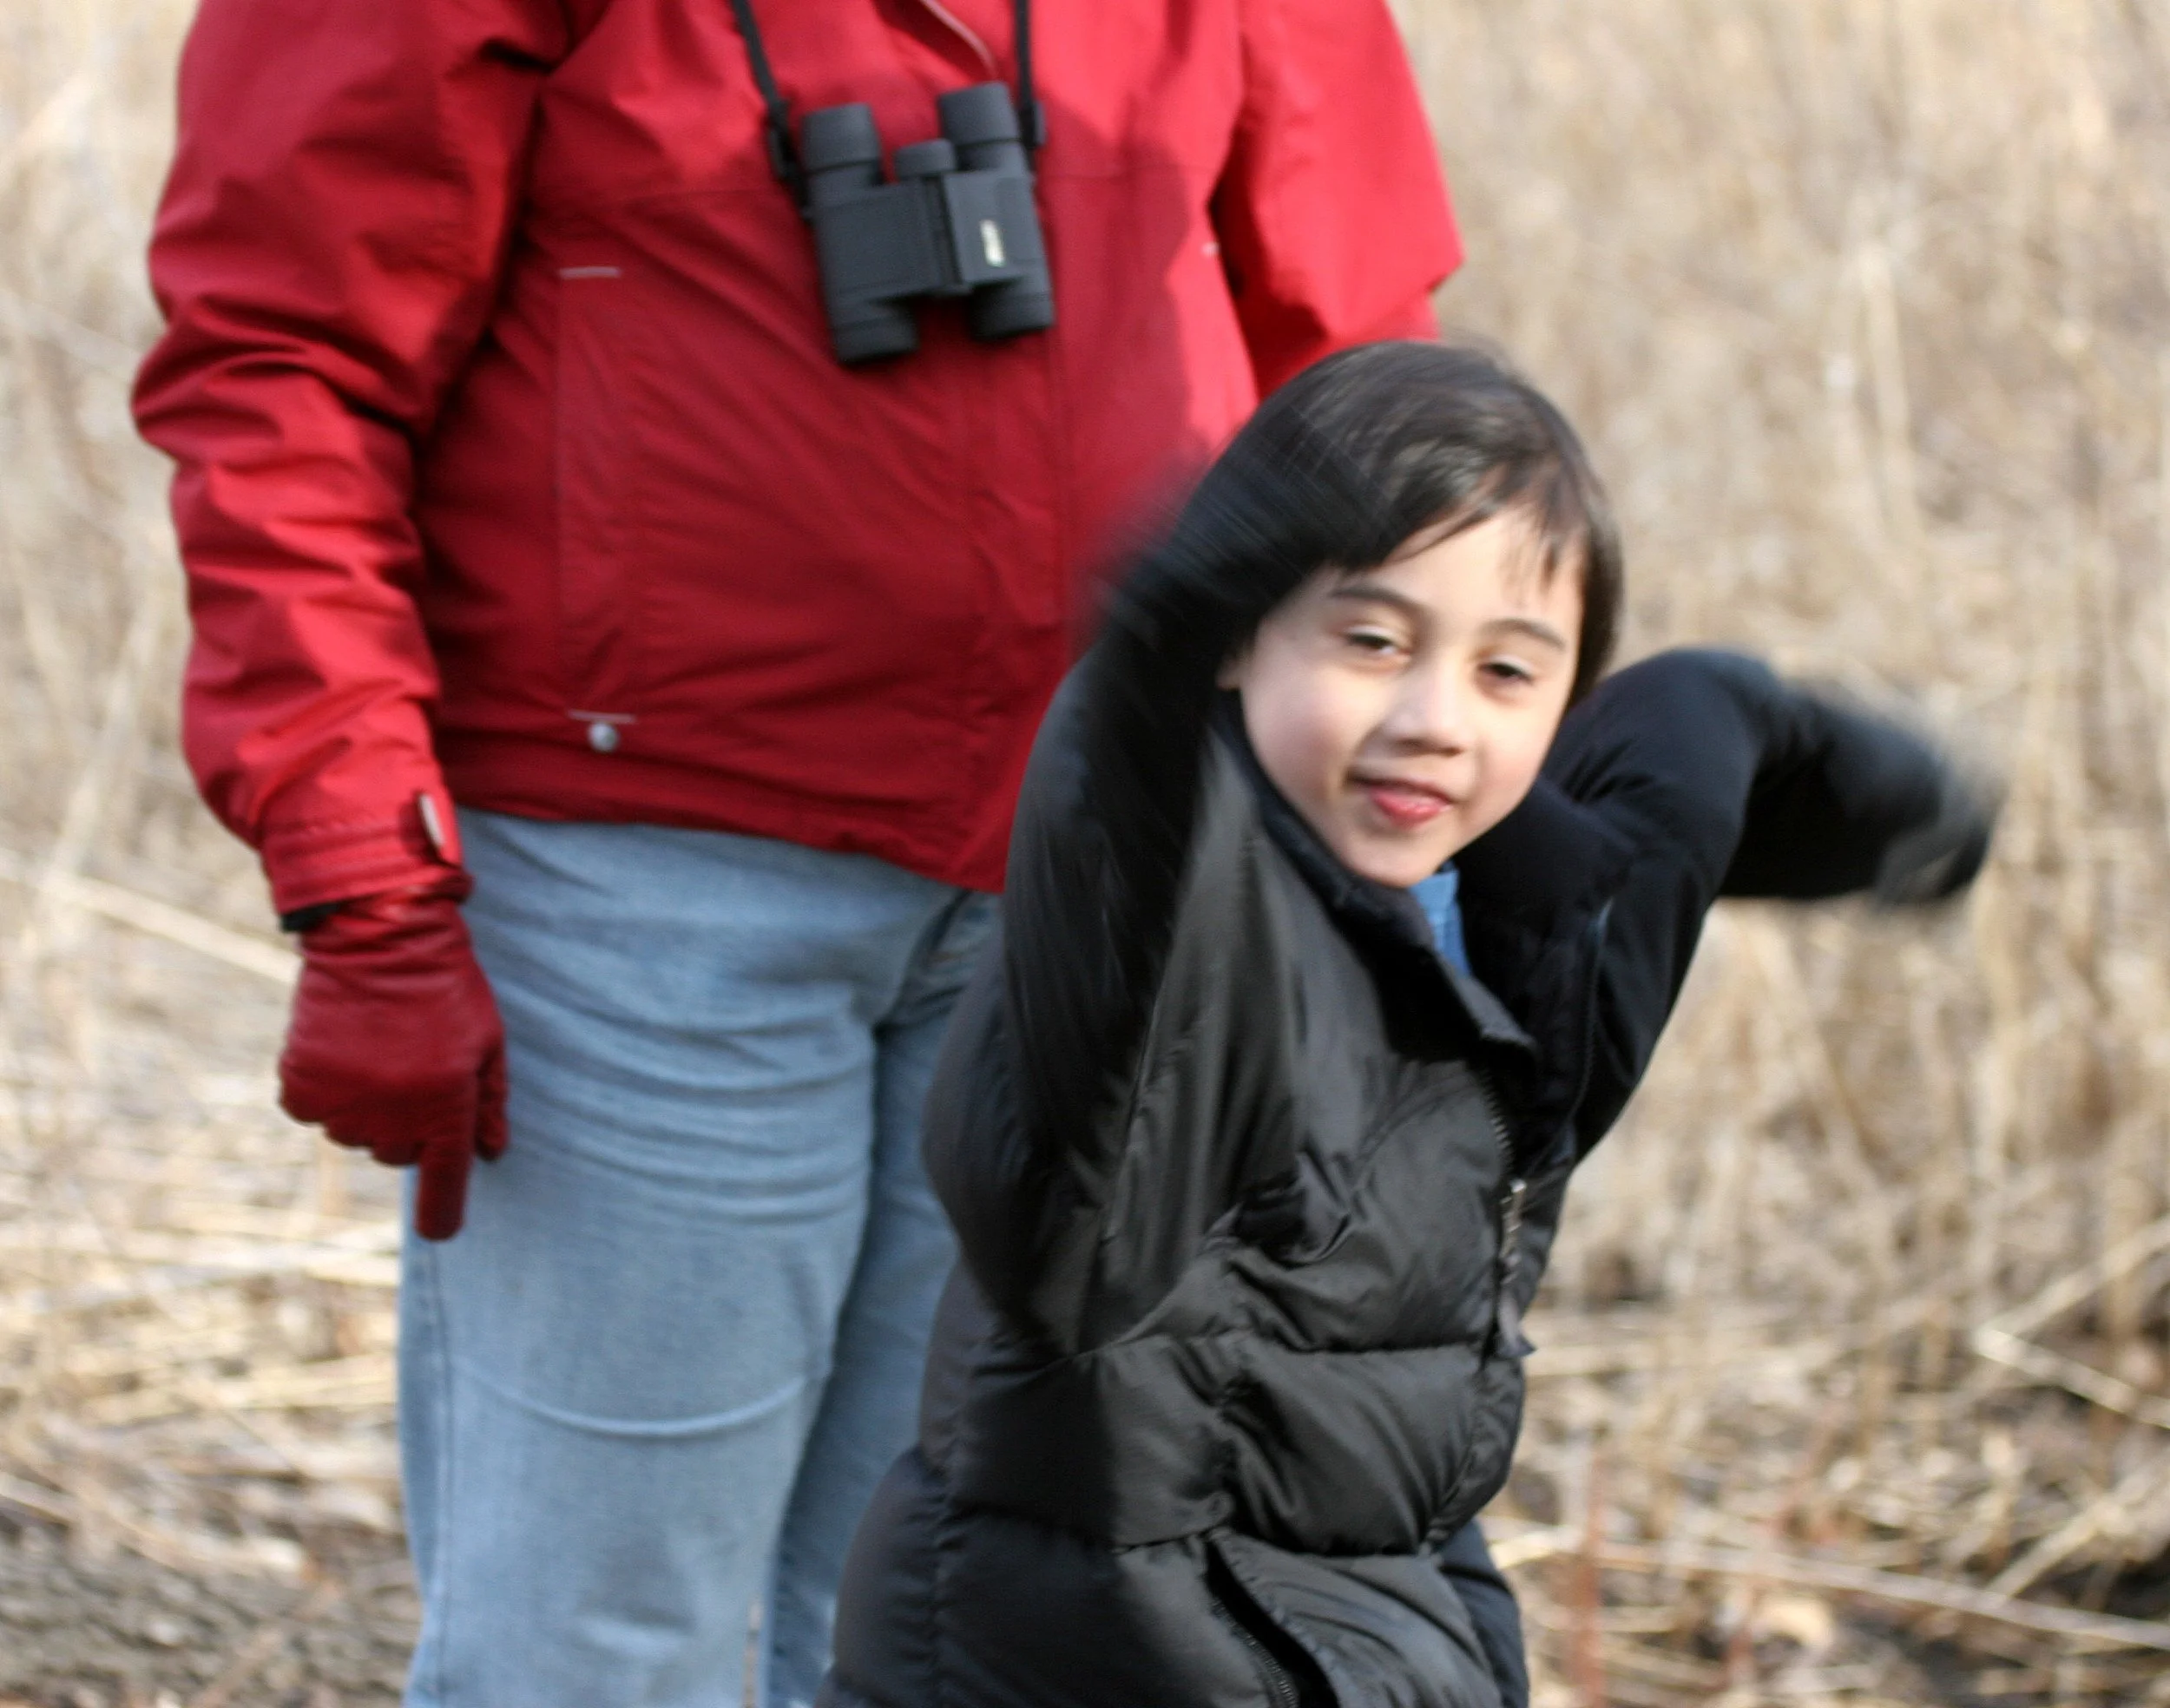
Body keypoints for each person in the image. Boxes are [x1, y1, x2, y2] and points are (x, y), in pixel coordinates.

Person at [129, 3, 1461, 1703]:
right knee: (597, 1647)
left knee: (923, 1628)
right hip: (643, 909)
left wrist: (1371, 867)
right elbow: (283, 366)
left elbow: (1363, 382)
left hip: (1085, 903)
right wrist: (363, 881)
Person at [819, 340, 1993, 1708]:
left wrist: (1925, 821)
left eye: (1508, 672)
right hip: (1082, 1656)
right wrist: (1176, 615)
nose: (1435, 718)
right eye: (1372, 641)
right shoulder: (1165, 943)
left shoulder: (1531, 929)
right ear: (1238, 634)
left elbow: (1700, 730)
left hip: (1377, 1617)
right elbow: (1118, 782)